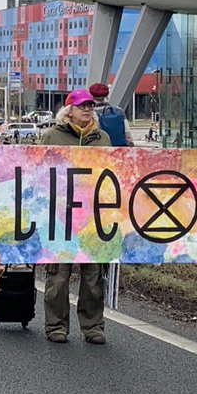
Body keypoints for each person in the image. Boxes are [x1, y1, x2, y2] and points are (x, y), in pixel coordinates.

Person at [38, 89, 111, 344]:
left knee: (93, 275)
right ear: (68, 111)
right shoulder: (51, 136)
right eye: (82, 106)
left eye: (90, 106)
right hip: (59, 216)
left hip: (92, 216)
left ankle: (93, 326)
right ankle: (56, 324)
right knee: (58, 274)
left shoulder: (102, 138)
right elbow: (37, 172)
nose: (87, 110)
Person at [88, 82, 131, 147]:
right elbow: (127, 134)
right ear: (106, 96)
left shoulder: (90, 112)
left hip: (100, 148)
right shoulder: (118, 110)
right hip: (118, 147)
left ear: (91, 96)